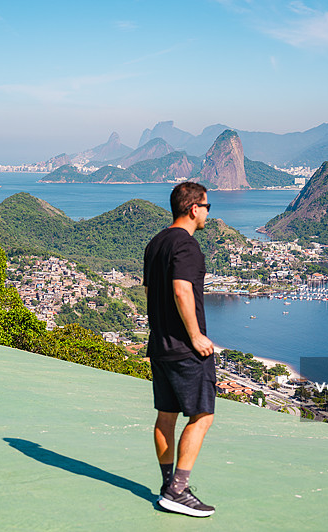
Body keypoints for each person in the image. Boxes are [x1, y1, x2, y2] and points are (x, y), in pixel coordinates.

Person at [143, 182, 216, 518]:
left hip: (159, 346)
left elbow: (154, 294)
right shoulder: (186, 245)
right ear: (192, 208)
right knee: (202, 416)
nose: (207, 213)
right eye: (206, 206)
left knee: (166, 417)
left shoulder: (155, 243)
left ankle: (167, 485)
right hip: (185, 350)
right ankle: (178, 490)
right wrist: (196, 336)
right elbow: (181, 291)